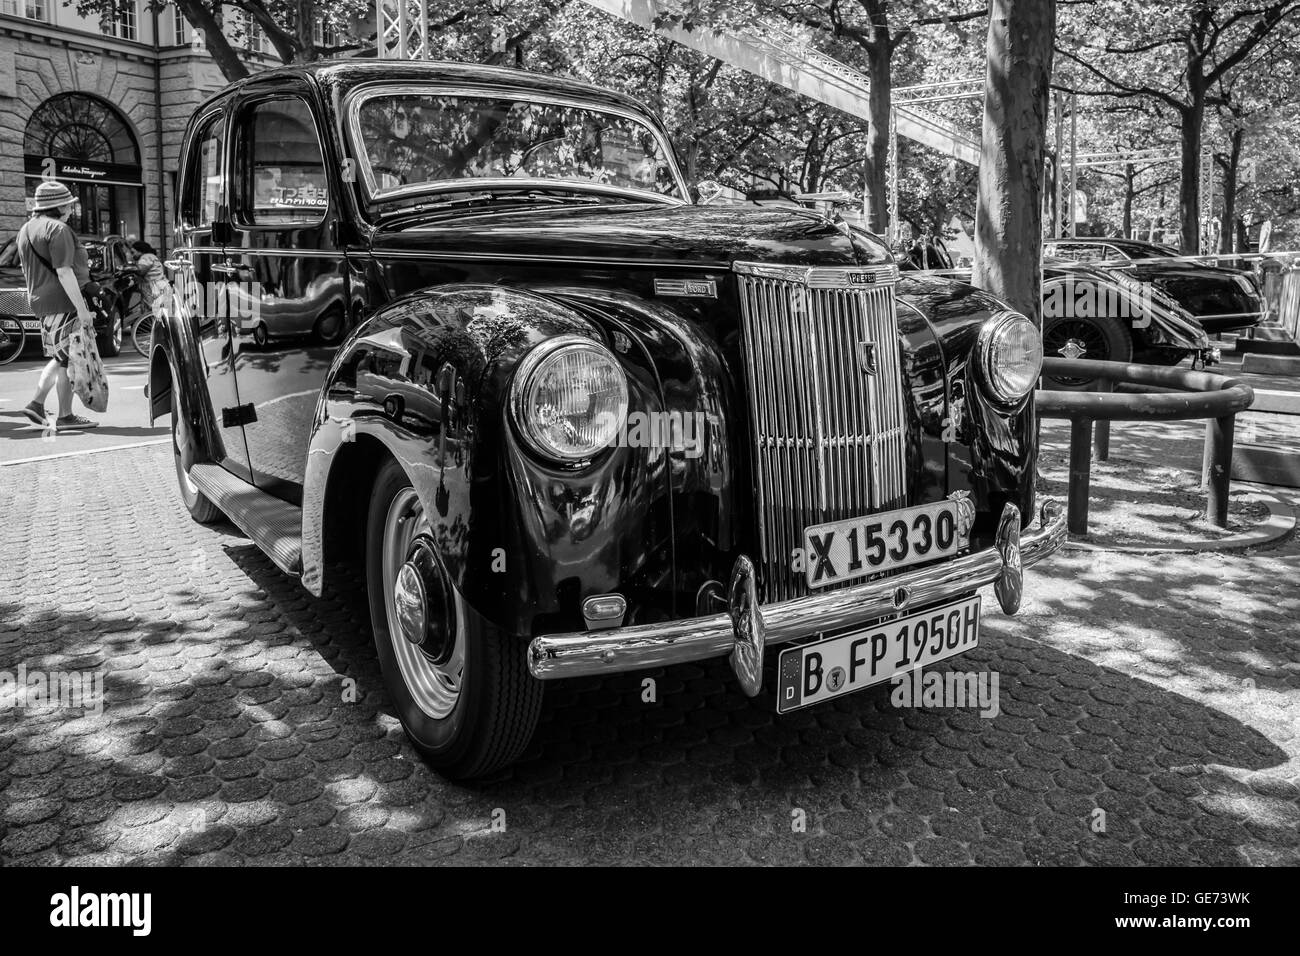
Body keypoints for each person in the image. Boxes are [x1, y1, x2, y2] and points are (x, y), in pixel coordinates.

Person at [17, 180, 99, 431]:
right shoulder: (58, 229)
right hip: (62, 300)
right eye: (69, 205)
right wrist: (83, 311)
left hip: (40, 301)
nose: (71, 209)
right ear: (60, 206)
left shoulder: (26, 229)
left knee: (62, 357)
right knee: (64, 356)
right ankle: (43, 405)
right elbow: (64, 272)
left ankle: (58, 412)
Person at [129, 239, 171, 319]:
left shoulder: (146, 257)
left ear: (140, 251)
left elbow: (141, 270)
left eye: (133, 252)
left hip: (155, 289)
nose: (132, 256)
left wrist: (125, 269)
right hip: (161, 287)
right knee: (159, 315)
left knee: (154, 315)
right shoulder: (151, 256)